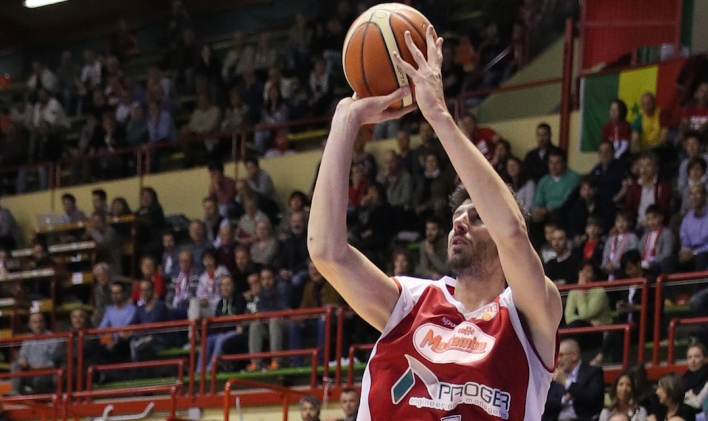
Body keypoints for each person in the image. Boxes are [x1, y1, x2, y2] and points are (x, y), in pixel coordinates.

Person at [307, 26, 561, 419]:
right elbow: (327, 252)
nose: (460, 223)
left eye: (476, 217)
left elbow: (512, 232)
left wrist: (438, 115)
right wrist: (346, 121)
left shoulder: (527, 313)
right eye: (456, 217)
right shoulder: (411, 301)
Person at [542, 339, 605, 421]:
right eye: (557, 356)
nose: (558, 360)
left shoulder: (593, 373)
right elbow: (545, 403)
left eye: (561, 355)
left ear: (574, 356)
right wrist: (564, 399)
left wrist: (566, 382)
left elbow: (592, 399)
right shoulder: (554, 376)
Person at [247, 266, 290, 371]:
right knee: (255, 325)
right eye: (263, 279)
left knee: (274, 321)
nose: (266, 282)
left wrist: (267, 315)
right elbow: (262, 311)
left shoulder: (282, 287)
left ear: (274, 278)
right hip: (269, 323)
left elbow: (282, 310)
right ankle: (255, 363)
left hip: (286, 323)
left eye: (269, 278)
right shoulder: (262, 292)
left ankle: (276, 361)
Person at [11, 313, 60, 395]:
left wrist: (39, 367)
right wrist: (22, 360)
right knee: (15, 365)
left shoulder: (52, 339)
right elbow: (22, 356)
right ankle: (15, 392)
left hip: (46, 372)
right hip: (30, 370)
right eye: (34, 322)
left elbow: (55, 362)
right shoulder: (28, 339)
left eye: (40, 322)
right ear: (29, 325)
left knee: (40, 380)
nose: (37, 325)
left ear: (44, 323)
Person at [638, 205, 675, 275]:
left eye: (654, 218)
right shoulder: (644, 237)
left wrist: (651, 262)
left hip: (658, 265)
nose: (651, 222)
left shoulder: (667, 233)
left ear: (661, 217)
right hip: (644, 265)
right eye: (648, 219)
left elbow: (667, 254)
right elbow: (640, 252)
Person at [679, 184, 708, 272]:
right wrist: (685, 252)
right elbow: (685, 244)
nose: (694, 197)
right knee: (669, 261)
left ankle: (699, 282)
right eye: (691, 194)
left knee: (702, 257)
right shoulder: (687, 220)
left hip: (704, 254)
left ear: (705, 195)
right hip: (691, 255)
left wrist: (696, 252)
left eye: (697, 193)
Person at [682, 344, 708, 412]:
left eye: (697, 356)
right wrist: (688, 396)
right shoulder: (684, 378)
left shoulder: (706, 379)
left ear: (705, 359)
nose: (693, 361)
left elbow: (699, 403)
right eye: (689, 357)